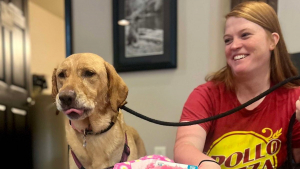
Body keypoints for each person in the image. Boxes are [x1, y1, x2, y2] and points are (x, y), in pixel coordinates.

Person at [174, 1, 300, 169]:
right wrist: (205, 164)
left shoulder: (293, 98)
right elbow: (184, 145)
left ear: (272, 40)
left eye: (245, 35)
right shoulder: (207, 95)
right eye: (227, 40)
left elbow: (297, 159)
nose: (234, 45)